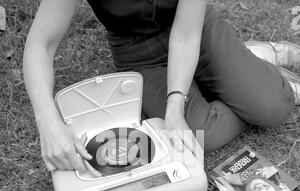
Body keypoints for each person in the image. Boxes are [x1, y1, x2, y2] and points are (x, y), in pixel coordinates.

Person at [23, 0, 300, 172]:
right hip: (138, 52)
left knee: (274, 106)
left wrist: (175, 105)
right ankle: (242, 68)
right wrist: (47, 121)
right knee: (207, 134)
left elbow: (186, 34)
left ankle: (257, 60)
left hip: (196, 32)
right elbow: (41, 42)